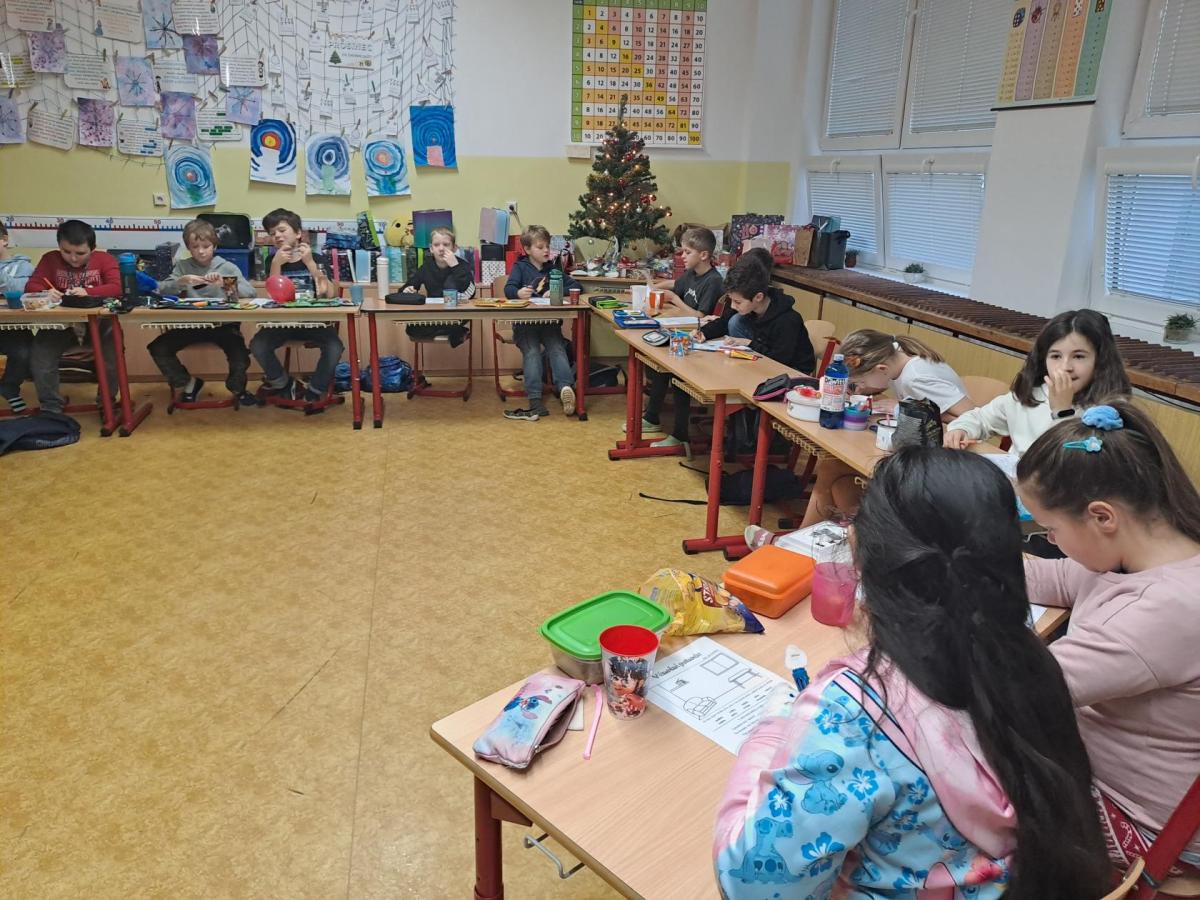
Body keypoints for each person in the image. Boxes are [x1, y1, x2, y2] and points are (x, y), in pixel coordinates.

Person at [715, 447, 1111, 898]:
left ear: (866, 562)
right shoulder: (1033, 662)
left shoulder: (855, 716)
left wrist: (770, 732)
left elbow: (752, 886)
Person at [1017, 401, 1200, 874]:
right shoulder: (1134, 559)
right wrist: (958, 565)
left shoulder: (1167, 609)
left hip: (1150, 825)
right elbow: (1053, 577)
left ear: (1102, 517)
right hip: (1104, 773)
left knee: (958, 785)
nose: (1051, 541)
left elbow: (1021, 689)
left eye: (1051, 529)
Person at [750, 330, 973, 540]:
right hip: (918, 447)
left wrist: (900, 407)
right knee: (837, 479)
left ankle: (805, 543)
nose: (860, 388)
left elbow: (972, 415)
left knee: (833, 468)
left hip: (944, 459)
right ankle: (815, 542)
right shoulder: (898, 359)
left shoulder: (915, 376)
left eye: (860, 383)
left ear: (882, 369)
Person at [651, 252, 815, 450]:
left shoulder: (787, 320)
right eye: (732, 301)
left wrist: (748, 344)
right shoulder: (747, 305)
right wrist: (703, 333)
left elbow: (780, 360)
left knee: (715, 375)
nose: (734, 306)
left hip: (789, 378)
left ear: (758, 297)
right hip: (759, 365)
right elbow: (724, 322)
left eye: (738, 302)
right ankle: (681, 434)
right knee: (685, 373)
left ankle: (740, 439)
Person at [945, 309, 1131, 455]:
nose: (1065, 367)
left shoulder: (1108, 413)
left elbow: (1073, 463)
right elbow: (982, 418)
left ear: (1100, 361)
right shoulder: (1030, 394)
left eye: (1079, 356)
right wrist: (961, 429)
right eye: (1056, 356)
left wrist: (1062, 412)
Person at [149, 219, 258, 407]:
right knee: (158, 348)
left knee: (240, 355)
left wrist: (225, 284)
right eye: (195, 247)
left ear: (214, 246)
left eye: (206, 246)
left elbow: (250, 293)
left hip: (224, 327)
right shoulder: (183, 267)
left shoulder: (227, 266)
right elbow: (161, 289)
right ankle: (188, 383)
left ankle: (238, 389)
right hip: (191, 325)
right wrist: (180, 282)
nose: (200, 251)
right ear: (188, 248)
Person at [249, 208, 344, 407]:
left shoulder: (316, 258)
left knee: (335, 346)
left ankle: (315, 389)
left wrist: (309, 263)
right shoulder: (272, 260)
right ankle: (284, 384)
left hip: (314, 322)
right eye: (272, 233)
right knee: (258, 345)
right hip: (283, 323)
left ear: (298, 233)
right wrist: (276, 264)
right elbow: (273, 295)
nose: (277, 236)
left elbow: (330, 294)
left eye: (282, 230)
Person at [27, 220, 122, 415]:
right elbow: (31, 286)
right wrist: (46, 292)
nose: (73, 258)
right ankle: (51, 406)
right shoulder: (50, 259)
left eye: (80, 253)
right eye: (66, 251)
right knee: (41, 354)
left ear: (92, 249)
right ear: (59, 246)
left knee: (112, 351)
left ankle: (106, 401)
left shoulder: (105, 259)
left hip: (99, 322)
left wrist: (88, 292)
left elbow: (117, 287)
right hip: (62, 324)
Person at [637, 227, 725, 435]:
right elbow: (675, 283)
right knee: (660, 363)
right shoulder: (692, 273)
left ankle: (678, 432)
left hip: (700, 340)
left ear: (703, 255)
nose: (682, 256)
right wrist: (654, 287)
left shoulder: (713, 281)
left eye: (687, 252)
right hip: (682, 332)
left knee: (672, 369)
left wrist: (674, 299)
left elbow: (700, 316)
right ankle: (652, 417)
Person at [502, 225, 582, 422]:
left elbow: (576, 286)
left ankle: (565, 388)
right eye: (540, 247)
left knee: (557, 348)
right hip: (525, 324)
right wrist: (518, 293)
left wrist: (558, 290)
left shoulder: (553, 269)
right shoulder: (520, 267)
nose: (546, 250)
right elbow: (509, 289)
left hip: (549, 323)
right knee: (532, 352)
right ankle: (535, 399)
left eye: (547, 246)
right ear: (527, 249)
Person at [400, 225, 475, 352]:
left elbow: (470, 293)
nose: (441, 249)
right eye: (436, 245)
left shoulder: (462, 265)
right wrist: (407, 290)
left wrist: (455, 266)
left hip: (456, 314)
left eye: (446, 245)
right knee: (411, 329)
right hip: (433, 314)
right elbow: (408, 286)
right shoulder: (427, 266)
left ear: (454, 248)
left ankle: (455, 330)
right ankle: (456, 332)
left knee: (451, 284)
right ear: (431, 248)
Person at [0, 222, 34, 413]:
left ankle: (9, 387)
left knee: (24, 353)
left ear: (4, 240)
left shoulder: (23, 266)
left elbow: (20, 291)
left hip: (13, 327)